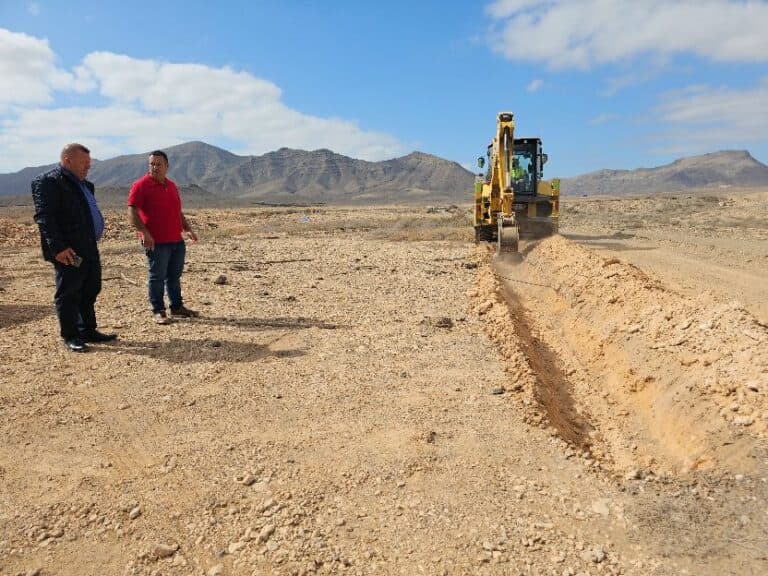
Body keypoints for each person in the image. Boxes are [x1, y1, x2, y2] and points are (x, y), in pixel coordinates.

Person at [31, 143, 117, 352]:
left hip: (88, 247)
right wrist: (58, 248)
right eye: (83, 163)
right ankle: (70, 334)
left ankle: (87, 329)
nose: (88, 167)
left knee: (91, 287)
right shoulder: (48, 182)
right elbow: (45, 217)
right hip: (67, 251)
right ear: (67, 161)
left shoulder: (86, 185)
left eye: (89, 163)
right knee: (68, 292)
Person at [127, 150, 198, 325]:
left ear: (167, 166)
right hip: (156, 241)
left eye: (159, 164)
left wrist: (187, 228)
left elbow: (177, 211)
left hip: (176, 240)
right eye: (152, 164)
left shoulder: (172, 185)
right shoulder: (141, 185)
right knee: (157, 276)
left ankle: (177, 307)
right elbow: (132, 211)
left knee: (174, 275)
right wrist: (144, 232)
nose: (155, 167)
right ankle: (158, 310)